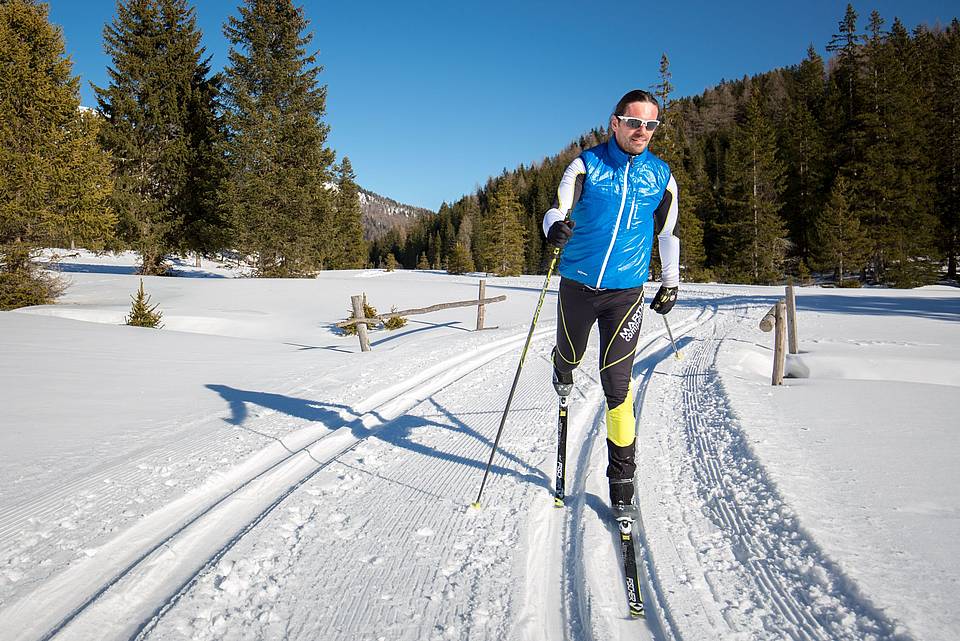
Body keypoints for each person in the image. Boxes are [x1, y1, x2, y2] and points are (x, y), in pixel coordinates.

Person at [542, 89, 680, 513]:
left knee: (617, 386)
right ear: (615, 122)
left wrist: (670, 281)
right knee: (570, 354)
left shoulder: (662, 176)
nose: (642, 131)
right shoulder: (586, 165)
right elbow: (557, 208)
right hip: (578, 287)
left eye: (650, 125)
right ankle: (561, 370)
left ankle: (622, 480)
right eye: (634, 122)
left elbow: (667, 233)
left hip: (626, 293)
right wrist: (554, 228)